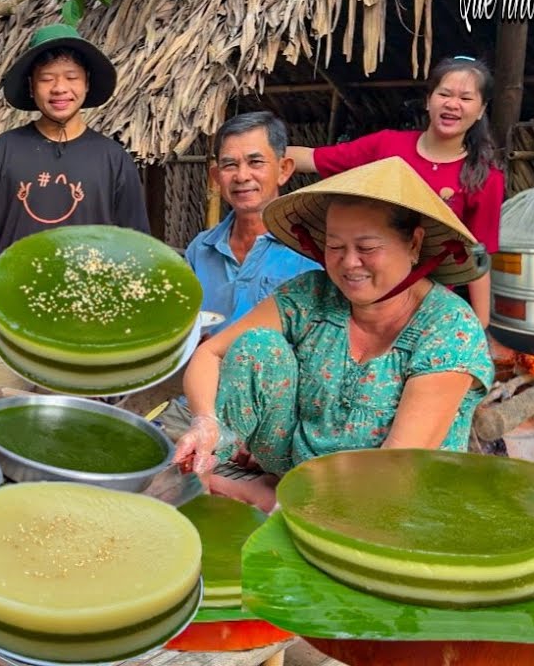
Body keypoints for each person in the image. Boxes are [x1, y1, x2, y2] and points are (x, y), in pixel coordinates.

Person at [172, 157, 494, 512]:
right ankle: (273, 483)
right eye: (335, 246)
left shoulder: (449, 327)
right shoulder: (312, 293)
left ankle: (276, 496)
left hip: (395, 499)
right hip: (298, 468)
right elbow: (211, 353)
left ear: (414, 244)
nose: (349, 262)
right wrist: (206, 423)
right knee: (256, 346)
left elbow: (395, 469)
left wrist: (275, 504)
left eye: (367, 248)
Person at [0, 23, 149, 391]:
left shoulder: (112, 158)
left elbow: (132, 249)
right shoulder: (5, 149)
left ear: (87, 84)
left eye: (71, 77)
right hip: (5, 318)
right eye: (47, 79)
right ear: (31, 86)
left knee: (67, 420)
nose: (60, 88)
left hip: (83, 324)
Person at [288, 55, 504, 327]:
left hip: (426, 309)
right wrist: (261, 158)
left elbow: (479, 256)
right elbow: (313, 158)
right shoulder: (386, 146)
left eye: (466, 98)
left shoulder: (485, 178)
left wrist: (482, 326)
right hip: (360, 293)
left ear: (481, 109)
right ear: (428, 100)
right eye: (444, 94)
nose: (452, 104)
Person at [185, 111, 320, 334]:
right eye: (230, 165)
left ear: (283, 170)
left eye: (255, 162)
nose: (242, 176)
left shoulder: (310, 251)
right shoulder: (200, 250)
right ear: (217, 177)